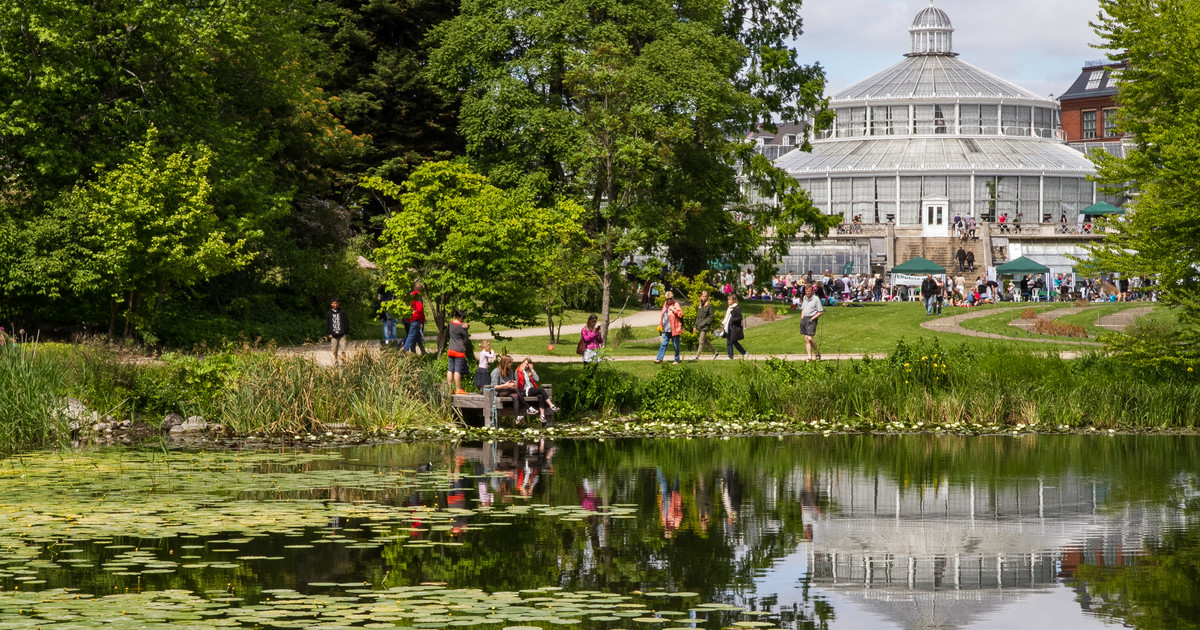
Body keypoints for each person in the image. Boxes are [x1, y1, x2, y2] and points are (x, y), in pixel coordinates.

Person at [517, 357, 558, 424]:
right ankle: (551, 405)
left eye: (527, 364)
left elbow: (537, 379)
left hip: (532, 390)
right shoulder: (518, 371)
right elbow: (518, 382)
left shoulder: (530, 372)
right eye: (524, 363)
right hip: (524, 390)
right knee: (541, 390)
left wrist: (532, 370)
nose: (525, 365)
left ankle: (542, 416)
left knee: (541, 396)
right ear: (522, 363)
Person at [654, 291, 684, 364]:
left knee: (676, 345)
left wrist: (674, 310)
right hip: (665, 328)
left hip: (674, 328)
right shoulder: (665, 305)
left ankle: (676, 359)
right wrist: (661, 326)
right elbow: (663, 317)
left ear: (673, 298)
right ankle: (659, 358)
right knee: (663, 344)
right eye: (667, 299)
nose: (669, 300)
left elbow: (681, 314)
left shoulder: (676, 304)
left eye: (670, 299)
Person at [446, 310, 470, 395]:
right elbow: (466, 338)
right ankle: (458, 388)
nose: (463, 320)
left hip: (451, 349)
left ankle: (449, 388)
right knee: (457, 370)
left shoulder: (451, 323)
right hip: (459, 350)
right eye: (462, 318)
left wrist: (467, 326)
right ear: (458, 317)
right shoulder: (461, 327)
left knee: (450, 369)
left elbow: (463, 326)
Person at [691, 291, 718, 360]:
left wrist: (705, 323)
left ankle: (697, 356)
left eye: (706, 296)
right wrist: (695, 326)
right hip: (699, 326)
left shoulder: (709, 306)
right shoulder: (700, 306)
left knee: (701, 341)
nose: (704, 298)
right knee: (705, 341)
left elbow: (711, 316)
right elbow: (698, 317)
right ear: (700, 297)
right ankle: (715, 353)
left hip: (705, 326)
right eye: (703, 296)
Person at [799, 284, 823, 361]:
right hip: (804, 319)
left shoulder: (816, 299)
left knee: (810, 338)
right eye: (806, 291)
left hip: (812, 319)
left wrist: (812, 318)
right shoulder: (805, 298)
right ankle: (809, 356)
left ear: (812, 291)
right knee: (806, 339)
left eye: (809, 291)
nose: (808, 293)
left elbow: (820, 311)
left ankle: (816, 351)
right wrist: (802, 318)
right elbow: (803, 309)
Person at [402, 285, 426, 354]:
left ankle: (421, 352)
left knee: (417, 336)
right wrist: (422, 320)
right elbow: (419, 309)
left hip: (410, 318)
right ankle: (404, 351)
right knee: (411, 336)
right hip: (415, 318)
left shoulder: (411, 295)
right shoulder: (418, 296)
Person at [325, 298, 350, 365]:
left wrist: (346, 331)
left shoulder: (342, 312)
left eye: (336, 303)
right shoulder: (329, 314)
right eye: (334, 303)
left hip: (342, 334)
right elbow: (328, 323)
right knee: (334, 349)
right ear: (331, 304)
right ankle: (336, 360)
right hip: (333, 335)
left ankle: (344, 360)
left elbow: (346, 322)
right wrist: (329, 333)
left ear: (338, 304)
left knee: (343, 348)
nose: (335, 305)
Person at [723, 293, 747, 359]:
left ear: (734, 300)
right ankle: (730, 356)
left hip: (734, 328)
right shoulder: (729, 308)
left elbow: (739, 317)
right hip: (729, 327)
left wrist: (732, 320)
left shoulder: (736, 308)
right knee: (729, 342)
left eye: (730, 300)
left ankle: (744, 352)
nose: (728, 301)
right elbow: (727, 318)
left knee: (734, 342)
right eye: (728, 300)